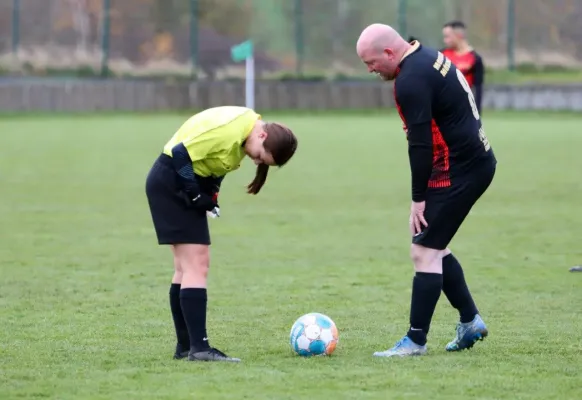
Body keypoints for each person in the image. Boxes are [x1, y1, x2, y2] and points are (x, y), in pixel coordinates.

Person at [356, 24, 497, 357]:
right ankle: (470, 320)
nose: (370, 70)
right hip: (468, 163)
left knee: (424, 251)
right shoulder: (428, 55)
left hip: (460, 170)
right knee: (432, 244)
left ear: (389, 52)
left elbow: (419, 144)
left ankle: (416, 340)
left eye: (371, 62)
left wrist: (418, 198)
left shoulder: (411, 80)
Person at [145, 106, 298, 362]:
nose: (257, 162)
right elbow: (180, 153)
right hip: (172, 183)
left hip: (176, 183)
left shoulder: (244, 135)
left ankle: (186, 347)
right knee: (197, 264)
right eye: (261, 157)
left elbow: (215, 165)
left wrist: (211, 196)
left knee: (186, 267)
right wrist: (194, 194)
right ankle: (200, 349)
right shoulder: (229, 131)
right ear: (262, 137)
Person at [441, 20, 485, 114]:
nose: (445, 40)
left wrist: (477, 112)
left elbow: (478, 88)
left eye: (448, 37)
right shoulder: (441, 55)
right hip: (443, 108)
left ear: (459, 36)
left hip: (464, 109)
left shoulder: (475, 58)